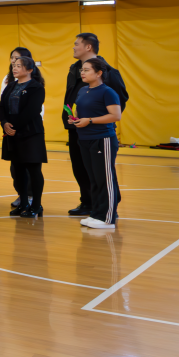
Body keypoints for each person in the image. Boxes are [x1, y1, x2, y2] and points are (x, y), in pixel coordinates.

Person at [62, 33, 129, 218]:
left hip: (98, 131)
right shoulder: (74, 70)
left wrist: (97, 119)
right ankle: (89, 202)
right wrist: (74, 118)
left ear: (88, 47)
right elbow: (73, 98)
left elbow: (118, 102)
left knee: (103, 172)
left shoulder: (108, 72)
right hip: (78, 128)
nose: (73, 47)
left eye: (76, 44)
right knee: (82, 168)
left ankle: (108, 207)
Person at [70, 58, 123, 229]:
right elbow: (80, 111)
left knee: (104, 179)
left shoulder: (108, 92)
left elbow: (116, 115)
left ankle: (108, 218)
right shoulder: (82, 90)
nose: (82, 72)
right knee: (93, 178)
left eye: (87, 70)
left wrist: (90, 120)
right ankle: (96, 214)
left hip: (102, 139)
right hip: (84, 139)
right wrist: (75, 119)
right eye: (82, 70)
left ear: (99, 73)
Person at [0, 56, 48, 218]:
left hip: (30, 134)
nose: (14, 68)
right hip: (12, 133)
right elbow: (1, 107)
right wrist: (4, 123)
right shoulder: (10, 86)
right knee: (17, 171)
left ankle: (36, 205)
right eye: (14, 65)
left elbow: (32, 111)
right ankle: (24, 203)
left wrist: (14, 126)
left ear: (30, 70)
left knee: (34, 171)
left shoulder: (36, 87)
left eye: (19, 65)